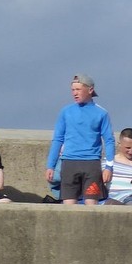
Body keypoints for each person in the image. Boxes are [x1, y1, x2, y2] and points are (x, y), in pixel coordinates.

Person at [45, 74, 113, 207]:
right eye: (73, 90)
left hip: (91, 163)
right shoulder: (66, 111)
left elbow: (109, 140)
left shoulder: (101, 113)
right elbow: (58, 139)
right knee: (69, 205)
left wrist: (109, 167)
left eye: (78, 89)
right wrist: (50, 165)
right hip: (69, 162)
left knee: (91, 204)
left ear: (90, 89)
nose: (75, 93)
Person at [103, 128, 132, 206]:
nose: (131, 151)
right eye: (128, 148)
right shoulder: (108, 163)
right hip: (116, 199)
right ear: (119, 144)